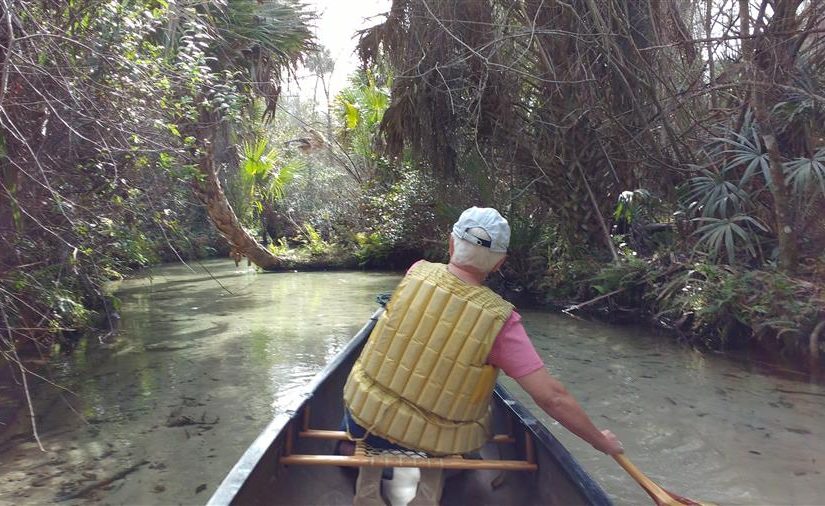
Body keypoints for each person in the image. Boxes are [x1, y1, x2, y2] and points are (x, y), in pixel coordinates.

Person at [342, 207, 623, 506]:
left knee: (371, 403)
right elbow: (552, 397)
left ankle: (367, 494)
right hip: (432, 440)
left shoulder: (416, 271)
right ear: (499, 263)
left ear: (451, 244)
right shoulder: (501, 321)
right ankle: (424, 499)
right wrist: (599, 440)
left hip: (366, 419)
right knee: (454, 423)